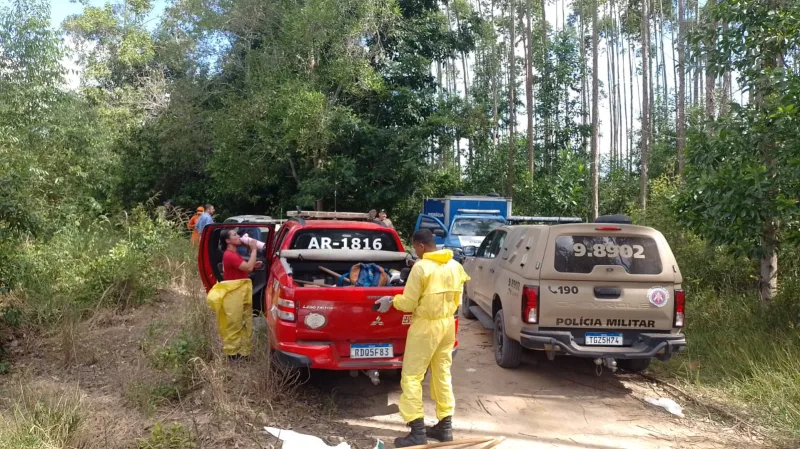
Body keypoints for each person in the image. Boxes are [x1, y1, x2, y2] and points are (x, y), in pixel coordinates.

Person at [373, 229, 470, 447]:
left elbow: (408, 303)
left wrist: (392, 300)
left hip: (426, 326)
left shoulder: (421, 267)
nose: (415, 253)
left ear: (421, 246)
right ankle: (445, 427)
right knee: (442, 373)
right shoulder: (455, 266)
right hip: (447, 326)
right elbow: (458, 299)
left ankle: (417, 431)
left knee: (411, 376)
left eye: (415, 248)